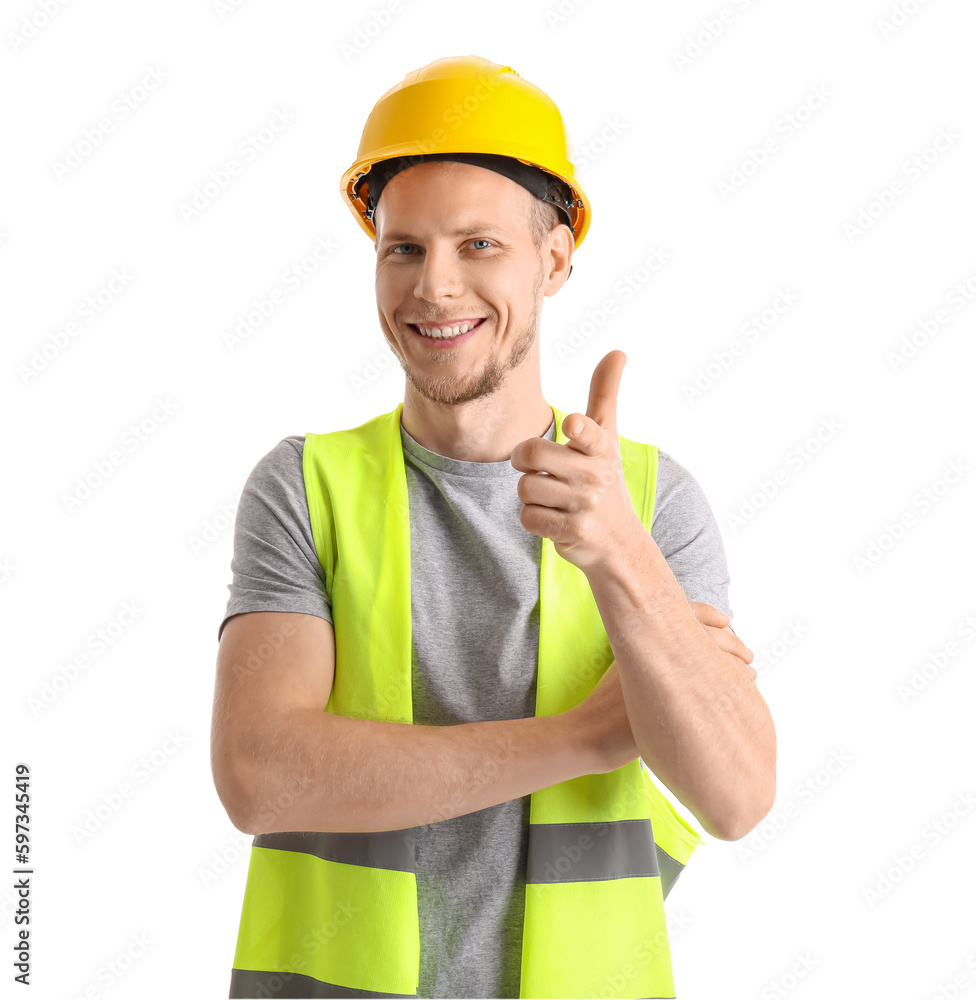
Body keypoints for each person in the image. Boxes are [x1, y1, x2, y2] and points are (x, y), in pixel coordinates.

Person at [210, 55, 776, 1000]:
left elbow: (738, 795)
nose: (435, 287)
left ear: (553, 260)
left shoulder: (649, 502)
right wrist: (587, 738)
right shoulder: (304, 488)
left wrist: (620, 555)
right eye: (404, 248)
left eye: (479, 246)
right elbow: (261, 775)